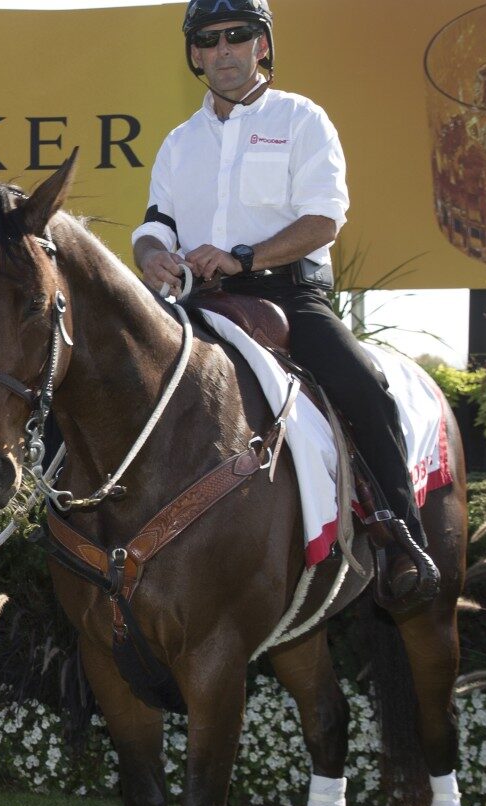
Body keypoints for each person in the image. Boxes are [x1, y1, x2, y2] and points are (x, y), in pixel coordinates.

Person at [131, 0, 438, 604]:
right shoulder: (178, 143)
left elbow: (323, 221)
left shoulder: (303, 120)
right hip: (197, 305)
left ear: (262, 45)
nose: (223, 50)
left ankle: (404, 541)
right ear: (194, 54)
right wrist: (150, 257)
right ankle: (66, 519)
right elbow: (156, 224)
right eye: (208, 40)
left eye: (237, 36)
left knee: (363, 385)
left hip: (289, 299)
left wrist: (243, 257)